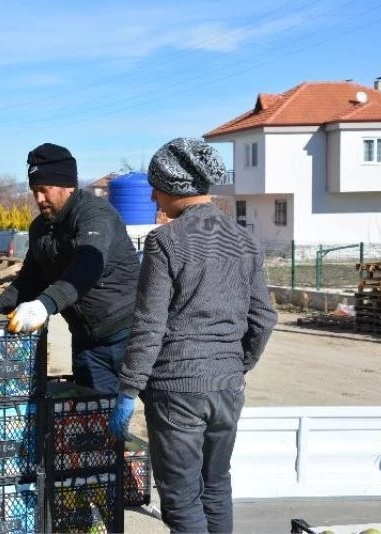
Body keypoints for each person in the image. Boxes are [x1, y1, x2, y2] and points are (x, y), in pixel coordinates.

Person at [108, 138, 277, 533]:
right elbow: (265, 318)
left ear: (174, 187)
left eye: (156, 186)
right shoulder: (245, 241)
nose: (152, 195)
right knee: (216, 487)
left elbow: (150, 323)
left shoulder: (165, 241)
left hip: (177, 391)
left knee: (181, 497)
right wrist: (234, 365)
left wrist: (128, 390)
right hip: (227, 387)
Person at [0, 142, 140, 394]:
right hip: (87, 345)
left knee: (164, 414)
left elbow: (87, 266)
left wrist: (43, 305)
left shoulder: (96, 215)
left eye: (44, 190)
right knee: (96, 419)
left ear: (68, 185)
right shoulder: (40, 228)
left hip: (130, 336)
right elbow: (30, 279)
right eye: (34, 191)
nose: (39, 198)